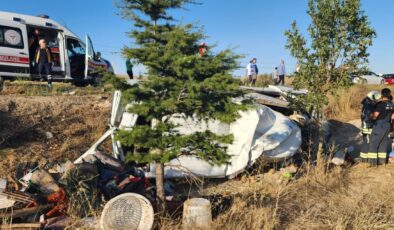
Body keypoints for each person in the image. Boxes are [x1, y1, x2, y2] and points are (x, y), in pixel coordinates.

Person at [362, 88, 394, 166]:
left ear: (382, 94)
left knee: (373, 143)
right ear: (389, 94)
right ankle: (382, 162)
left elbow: (375, 116)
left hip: (379, 126)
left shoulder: (381, 104)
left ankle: (372, 164)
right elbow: (393, 117)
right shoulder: (392, 104)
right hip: (387, 125)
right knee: (383, 143)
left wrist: (370, 116)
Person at [359, 91, 381, 160]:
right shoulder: (368, 106)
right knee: (367, 142)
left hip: (367, 126)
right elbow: (367, 117)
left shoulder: (368, 104)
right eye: (376, 99)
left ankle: (365, 158)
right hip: (368, 126)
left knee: (367, 141)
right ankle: (364, 159)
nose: (377, 100)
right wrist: (373, 122)